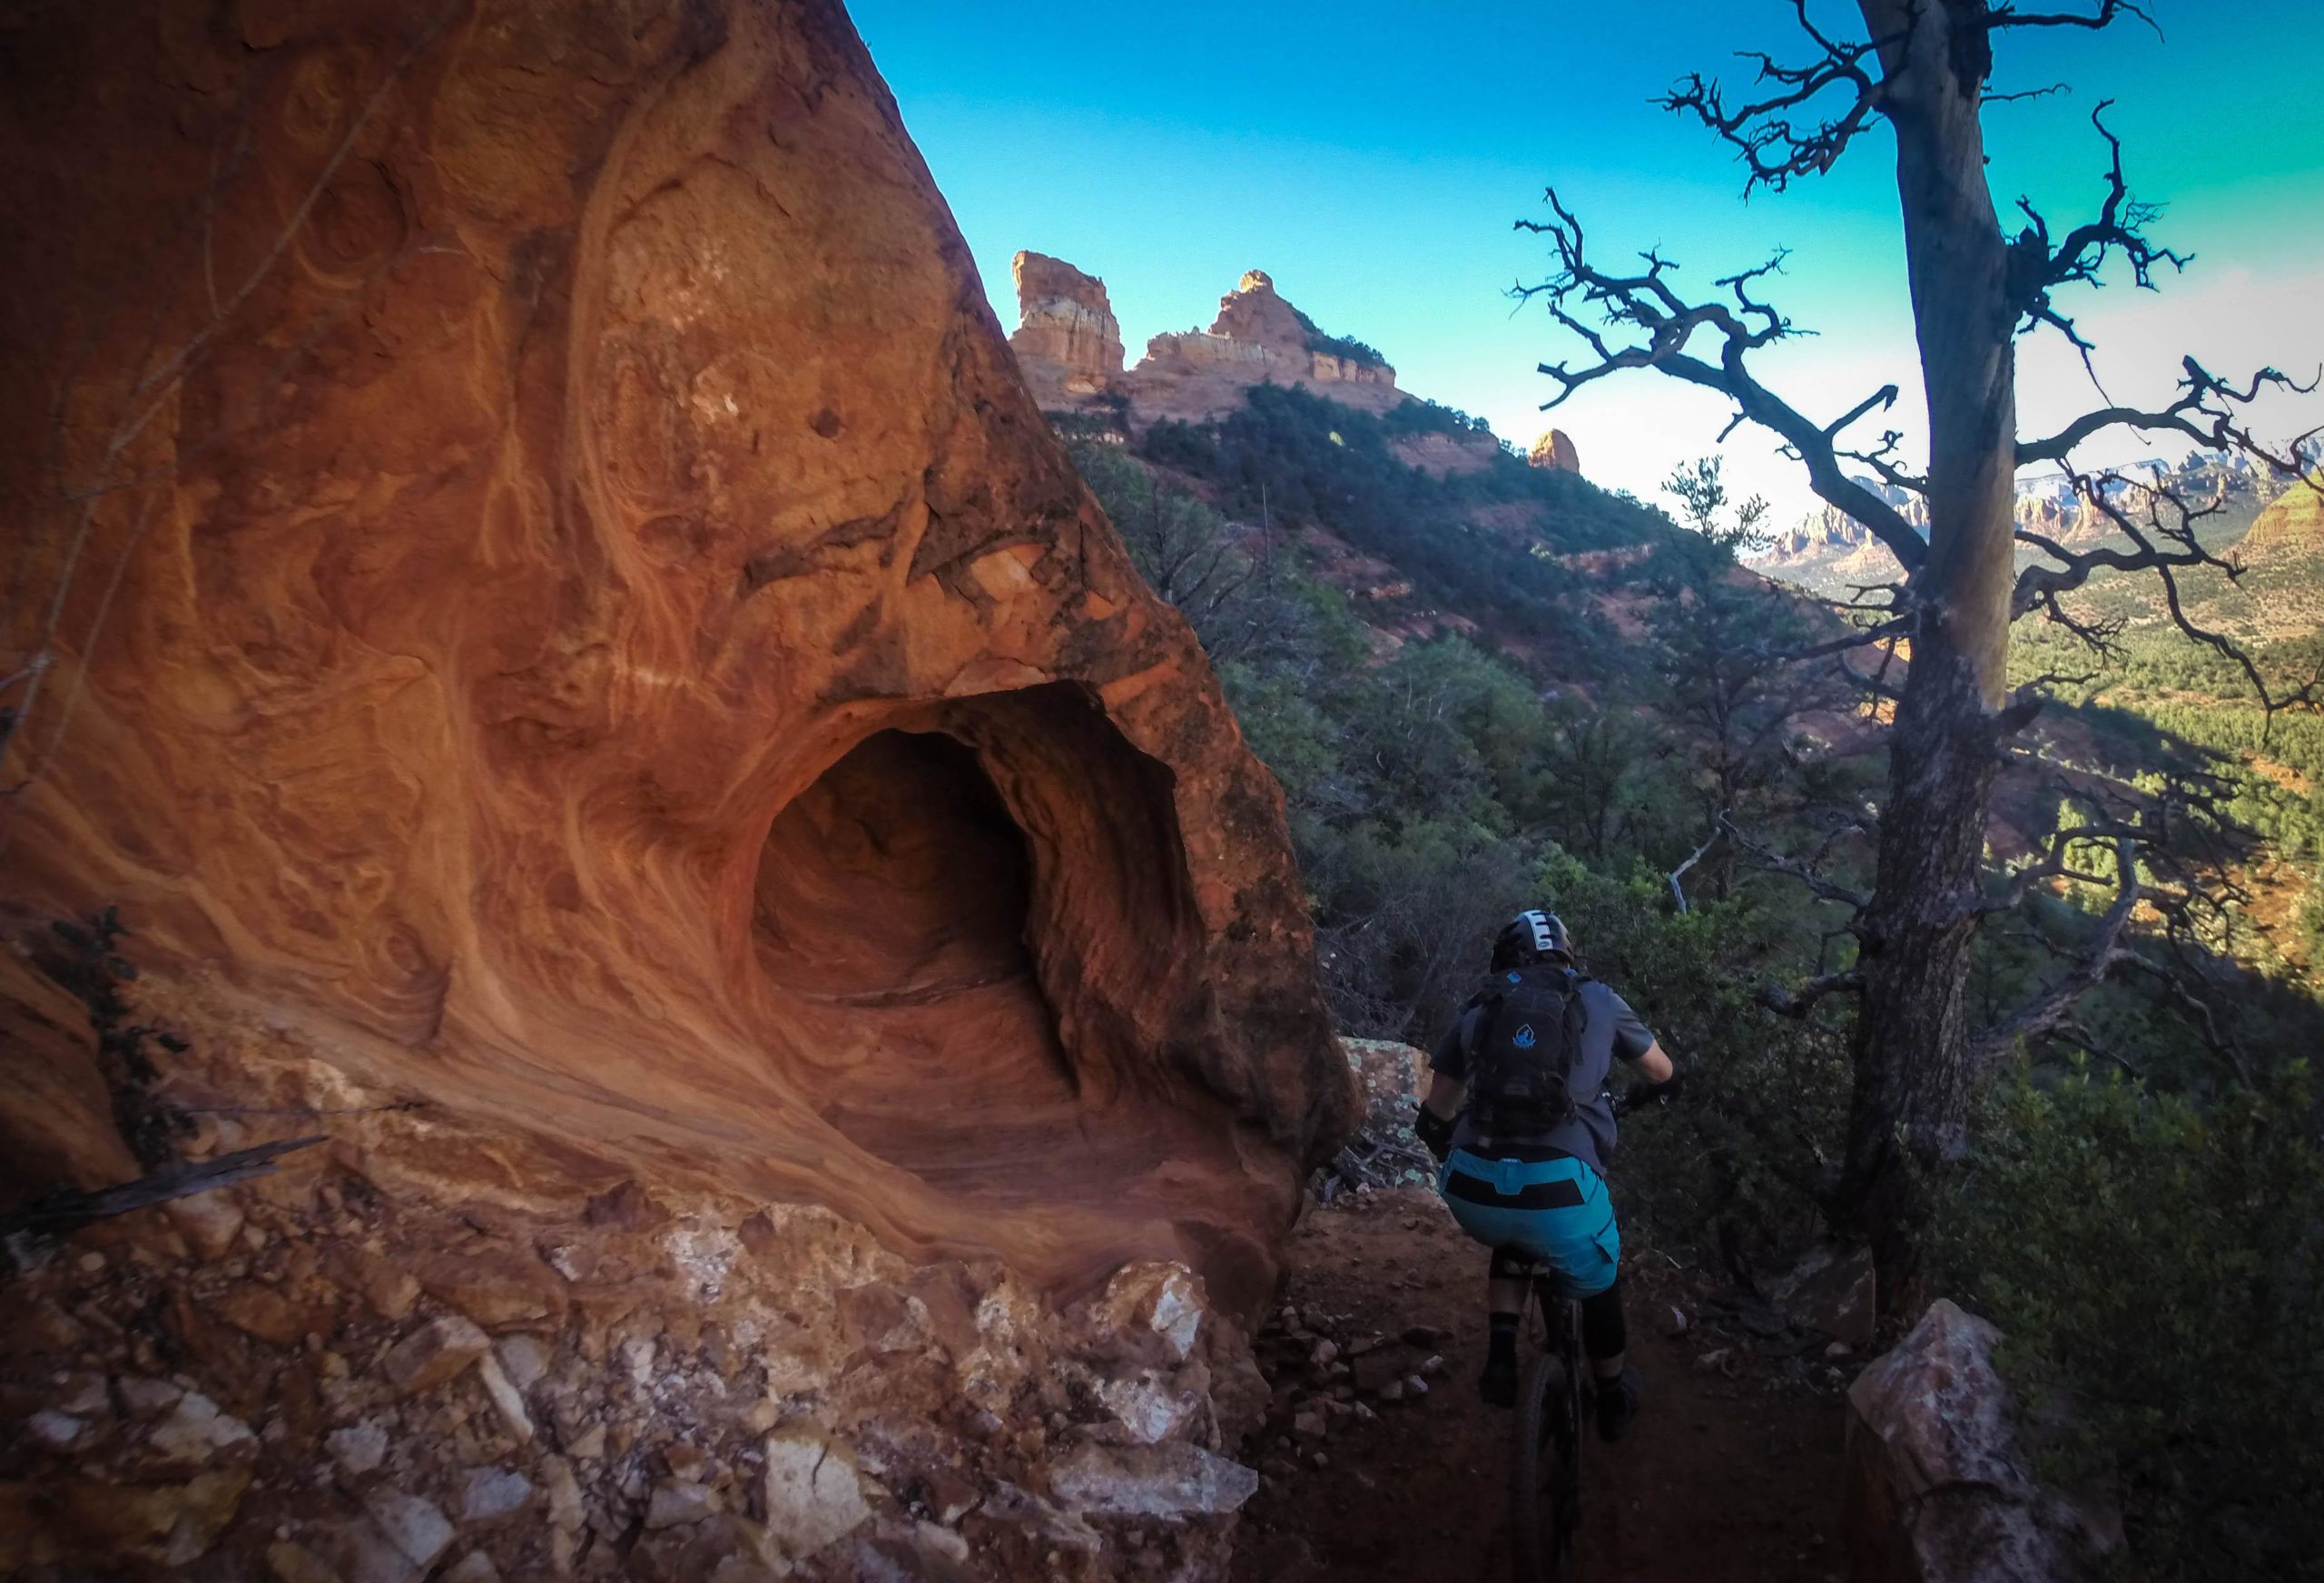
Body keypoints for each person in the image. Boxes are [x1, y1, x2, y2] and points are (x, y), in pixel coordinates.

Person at [1413, 908, 1679, 1441]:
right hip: (1561, 1191)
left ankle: (1503, 1359)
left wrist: (1451, 1147)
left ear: (1506, 957)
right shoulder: (1599, 998)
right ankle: (1611, 1398)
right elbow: (1662, 1071)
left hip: (1472, 1190)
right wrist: (1649, 1094)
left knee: (1511, 1229)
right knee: (1598, 1276)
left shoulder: (1482, 1003)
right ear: (1566, 954)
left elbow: (1438, 1108)